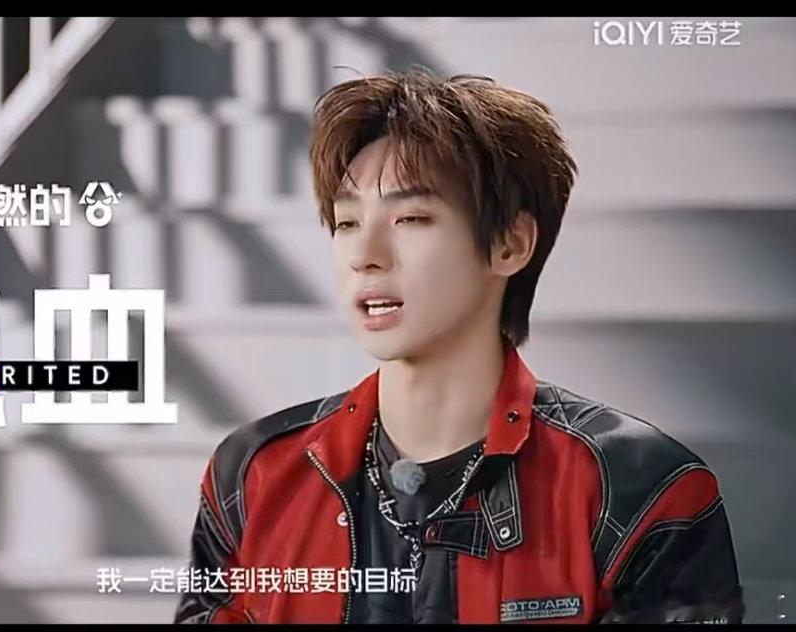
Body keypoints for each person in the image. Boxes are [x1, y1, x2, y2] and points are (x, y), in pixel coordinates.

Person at [174, 69, 744, 624]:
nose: (365, 256)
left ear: (509, 245)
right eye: (347, 223)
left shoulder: (640, 489)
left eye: (411, 218)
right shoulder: (254, 475)